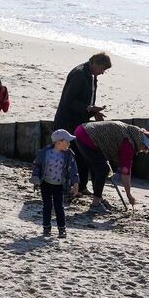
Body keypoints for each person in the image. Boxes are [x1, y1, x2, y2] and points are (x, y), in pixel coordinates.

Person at [53, 52, 112, 196]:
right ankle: (68, 186)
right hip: (67, 121)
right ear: (95, 63)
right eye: (102, 69)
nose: (103, 72)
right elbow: (69, 100)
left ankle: (82, 186)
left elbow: (87, 101)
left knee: (83, 154)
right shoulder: (79, 74)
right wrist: (89, 108)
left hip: (80, 121)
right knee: (70, 154)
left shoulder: (92, 75)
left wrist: (93, 112)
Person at [73, 119, 149, 209]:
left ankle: (99, 198)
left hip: (82, 130)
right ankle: (96, 203)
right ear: (142, 143)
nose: (141, 151)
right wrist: (129, 195)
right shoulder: (129, 143)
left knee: (96, 167)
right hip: (86, 136)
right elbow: (125, 172)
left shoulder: (130, 132)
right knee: (103, 169)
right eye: (144, 149)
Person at [33, 130, 78, 238]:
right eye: (67, 141)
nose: (69, 144)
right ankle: (46, 228)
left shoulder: (68, 155)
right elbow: (37, 165)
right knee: (47, 206)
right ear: (58, 142)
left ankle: (62, 229)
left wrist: (75, 183)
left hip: (59, 185)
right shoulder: (44, 153)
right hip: (46, 184)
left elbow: (73, 169)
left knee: (59, 207)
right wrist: (35, 176)